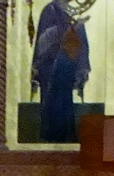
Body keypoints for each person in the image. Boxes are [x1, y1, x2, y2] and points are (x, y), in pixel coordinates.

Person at [30, 0, 89, 143]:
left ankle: (64, 135)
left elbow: (78, 42)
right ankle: (51, 136)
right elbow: (44, 39)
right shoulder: (50, 10)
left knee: (65, 103)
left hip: (66, 67)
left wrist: (77, 28)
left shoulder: (71, 11)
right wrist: (69, 29)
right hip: (50, 68)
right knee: (51, 104)